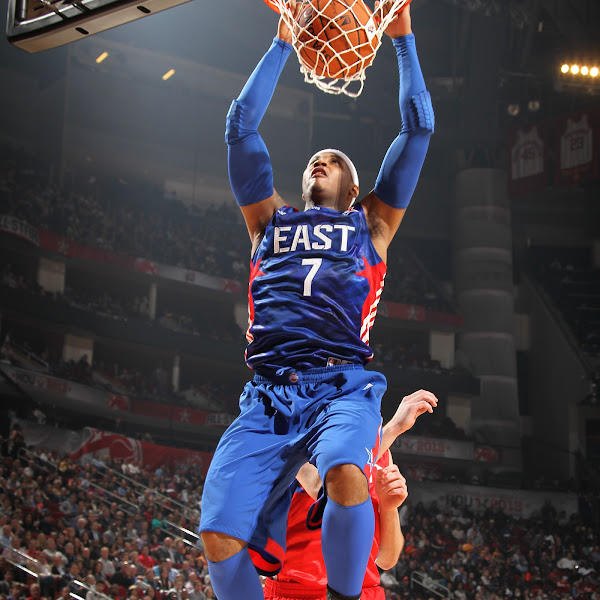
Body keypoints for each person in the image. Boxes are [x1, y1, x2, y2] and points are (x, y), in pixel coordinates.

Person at [198, 1, 434, 599]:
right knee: (217, 539)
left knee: (348, 474)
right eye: (314, 161)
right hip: (269, 391)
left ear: (354, 189)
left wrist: (402, 39)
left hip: (340, 384)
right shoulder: (266, 222)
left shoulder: (372, 226)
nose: (319, 161)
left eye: (333, 162)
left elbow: (418, 129)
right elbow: (240, 129)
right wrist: (281, 43)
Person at [264, 389, 437, 600]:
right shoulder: (294, 438)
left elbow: (386, 559)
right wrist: (393, 429)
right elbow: (324, 487)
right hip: (301, 592)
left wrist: (389, 507)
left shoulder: (381, 454)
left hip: (365, 591)